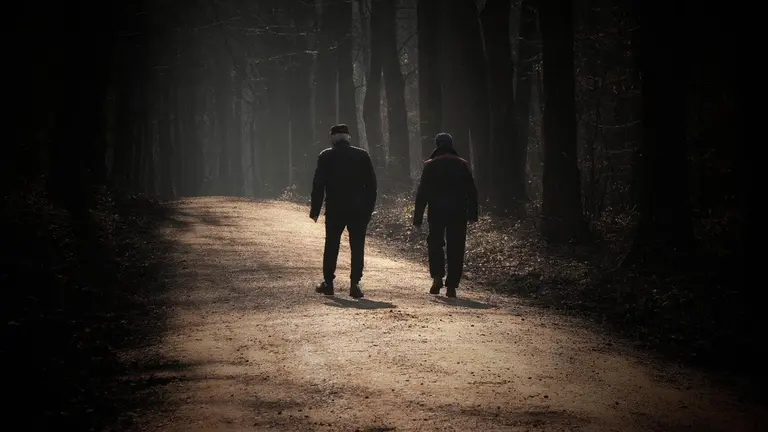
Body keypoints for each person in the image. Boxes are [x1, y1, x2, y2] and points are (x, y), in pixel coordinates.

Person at [310, 124, 377, 298]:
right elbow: (372, 186)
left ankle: (329, 283)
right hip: (358, 209)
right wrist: (368, 209)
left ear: (332, 137)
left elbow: (318, 184)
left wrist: (315, 210)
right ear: (348, 137)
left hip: (335, 208)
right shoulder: (362, 156)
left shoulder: (326, 156)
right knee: (357, 245)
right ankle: (355, 284)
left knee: (332, 244)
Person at [412, 132, 478, 298]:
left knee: (435, 244)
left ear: (437, 145)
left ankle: (437, 277)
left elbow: (422, 193)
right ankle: (452, 286)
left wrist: (418, 218)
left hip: (436, 211)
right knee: (456, 247)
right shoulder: (462, 164)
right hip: (458, 212)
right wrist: (473, 214)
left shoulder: (430, 165)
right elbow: (471, 190)